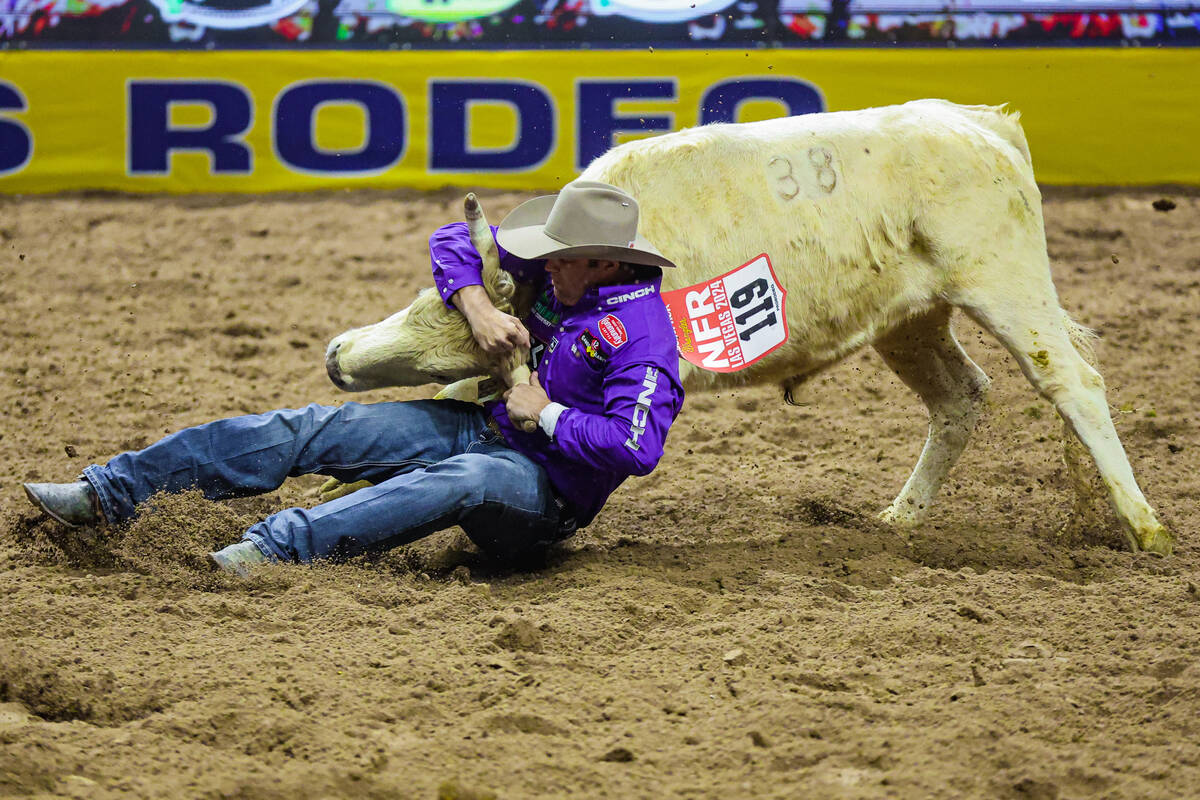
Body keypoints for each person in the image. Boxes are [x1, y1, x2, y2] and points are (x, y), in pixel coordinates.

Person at [22, 181, 685, 575]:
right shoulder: (560, 273)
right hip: (484, 427)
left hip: (542, 499)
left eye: (559, 262)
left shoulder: (646, 339)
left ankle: (272, 552)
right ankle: (110, 492)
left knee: (464, 479)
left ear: (601, 264)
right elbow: (455, 239)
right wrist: (479, 307)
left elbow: (636, 446)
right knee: (320, 428)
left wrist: (543, 414)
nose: (543, 269)